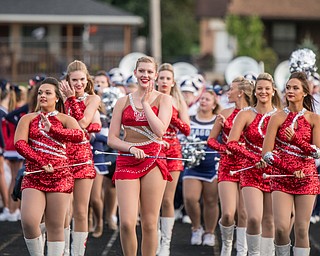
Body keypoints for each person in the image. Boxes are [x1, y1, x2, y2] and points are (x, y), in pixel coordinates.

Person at [107, 56, 173, 256]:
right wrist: (129, 148)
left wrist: (145, 104)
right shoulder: (122, 101)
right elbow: (112, 138)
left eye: (149, 72)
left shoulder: (164, 99)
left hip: (154, 159)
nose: (145, 75)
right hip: (127, 160)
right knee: (126, 222)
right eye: (141, 71)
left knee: (150, 223)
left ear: (155, 75)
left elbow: (160, 130)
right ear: (135, 73)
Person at [14, 77, 85, 255]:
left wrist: (52, 130)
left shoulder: (65, 119)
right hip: (34, 174)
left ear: (57, 98)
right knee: (29, 222)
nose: (43, 96)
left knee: (55, 226)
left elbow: (78, 136)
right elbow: (20, 143)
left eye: (47, 93)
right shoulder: (28, 118)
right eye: (40, 93)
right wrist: (41, 161)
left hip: (60, 176)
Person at [262, 71, 320, 256]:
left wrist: (296, 140)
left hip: (307, 177)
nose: (290, 91)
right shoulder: (277, 117)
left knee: (302, 229)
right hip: (282, 176)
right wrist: (290, 169)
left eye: (295, 88)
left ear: (304, 92)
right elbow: (266, 154)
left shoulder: (314, 119)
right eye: (288, 87)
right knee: (280, 228)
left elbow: (317, 152)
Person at [227, 73, 282, 255]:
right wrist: (253, 158)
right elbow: (232, 143)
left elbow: (286, 144)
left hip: (274, 172)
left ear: (273, 91)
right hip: (251, 170)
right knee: (253, 218)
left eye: (267, 88)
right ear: (255, 91)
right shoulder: (245, 114)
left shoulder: (282, 115)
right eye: (260, 88)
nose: (263, 92)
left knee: (270, 220)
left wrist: (273, 158)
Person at [207, 76, 254, 255]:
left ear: (240, 92)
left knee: (244, 213)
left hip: (248, 165)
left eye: (231, 89)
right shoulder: (225, 113)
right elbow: (210, 140)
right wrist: (223, 148)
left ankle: (241, 250)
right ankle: (227, 245)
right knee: (227, 213)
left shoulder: (254, 114)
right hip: (227, 165)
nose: (228, 92)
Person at [60, 60, 101, 255]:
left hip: (83, 158)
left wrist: (71, 100)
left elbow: (82, 123)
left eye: (82, 80)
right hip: (62, 157)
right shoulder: (58, 97)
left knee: (81, 210)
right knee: (63, 211)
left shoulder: (92, 99)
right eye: (74, 80)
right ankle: (63, 250)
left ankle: (77, 252)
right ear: (67, 80)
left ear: (87, 80)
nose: (78, 84)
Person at [156, 63, 190, 255]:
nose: (164, 81)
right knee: (153, 200)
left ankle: (165, 243)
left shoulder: (178, 101)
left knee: (167, 200)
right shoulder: (150, 98)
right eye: (161, 78)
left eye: (168, 78)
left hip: (173, 151)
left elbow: (186, 129)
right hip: (154, 149)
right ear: (156, 80)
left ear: (173, 81)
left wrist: (170, 114)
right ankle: (154, 236)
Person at [182, 90, 220, 247]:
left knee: (211, 201)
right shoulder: (189, 120)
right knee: (190, 199)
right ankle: (196, 228)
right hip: (193, 167)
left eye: (207, 99)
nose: (203, 101)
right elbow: (182, 140)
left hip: (212, 167)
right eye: (202, 98)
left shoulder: (218, 121)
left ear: (214, 104)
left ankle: (210, 232)